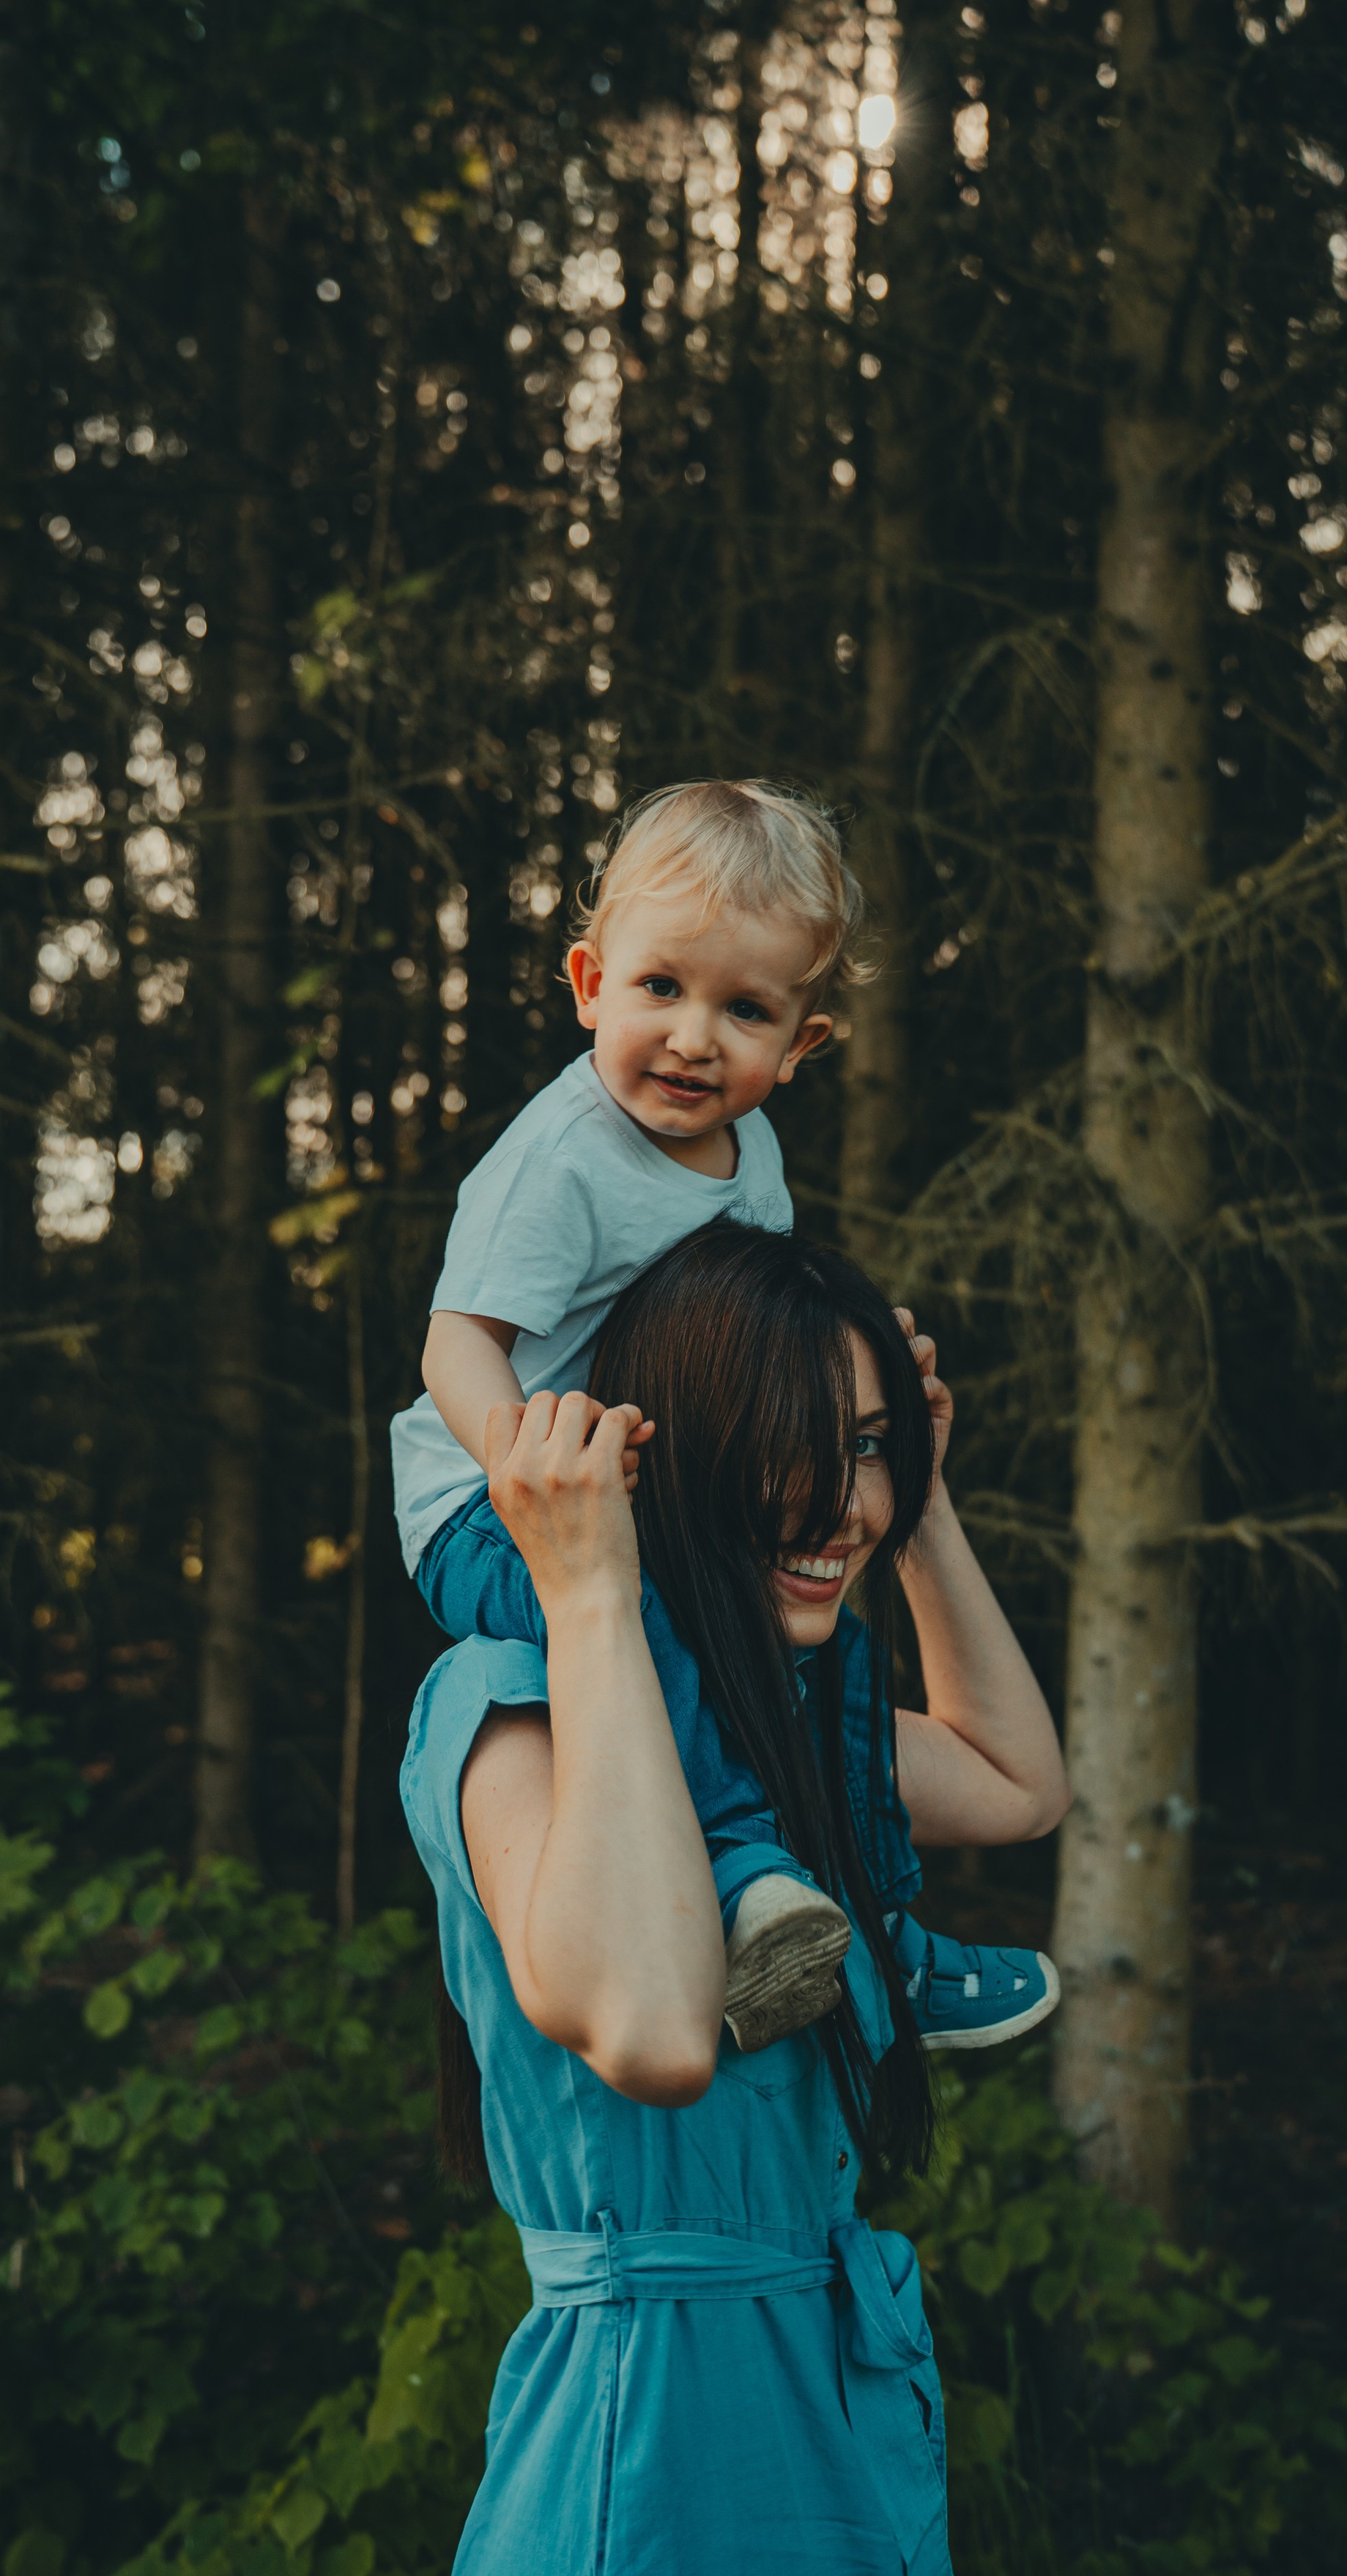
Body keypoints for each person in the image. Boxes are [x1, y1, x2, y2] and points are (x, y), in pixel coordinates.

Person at [399, 1225, 1071, 2575]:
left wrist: (923, 1505)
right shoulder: (509, 1703)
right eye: (792, 1445)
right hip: (653, 2456)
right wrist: (592, 1585)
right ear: (666, 1452)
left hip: (841, 2429)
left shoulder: (779, 1711)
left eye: (868, 1443)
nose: (843, 1503)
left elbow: (1015, 1783)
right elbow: (653, 2030)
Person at [391, 778, 1056, 2052]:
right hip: (491, 1508)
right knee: (662, 1621)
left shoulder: (752, 1169)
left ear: (799, 1045)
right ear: (588, 983)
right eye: (660, 990)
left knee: (833, 1660)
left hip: (646, 1509)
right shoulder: (564, 1157)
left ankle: (876, 1931)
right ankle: (749, 1880)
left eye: (743, 1009)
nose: (694, 1038)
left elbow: (745, 1369)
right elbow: (456, 1343)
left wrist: (879, 1449)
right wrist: (530, 1475)